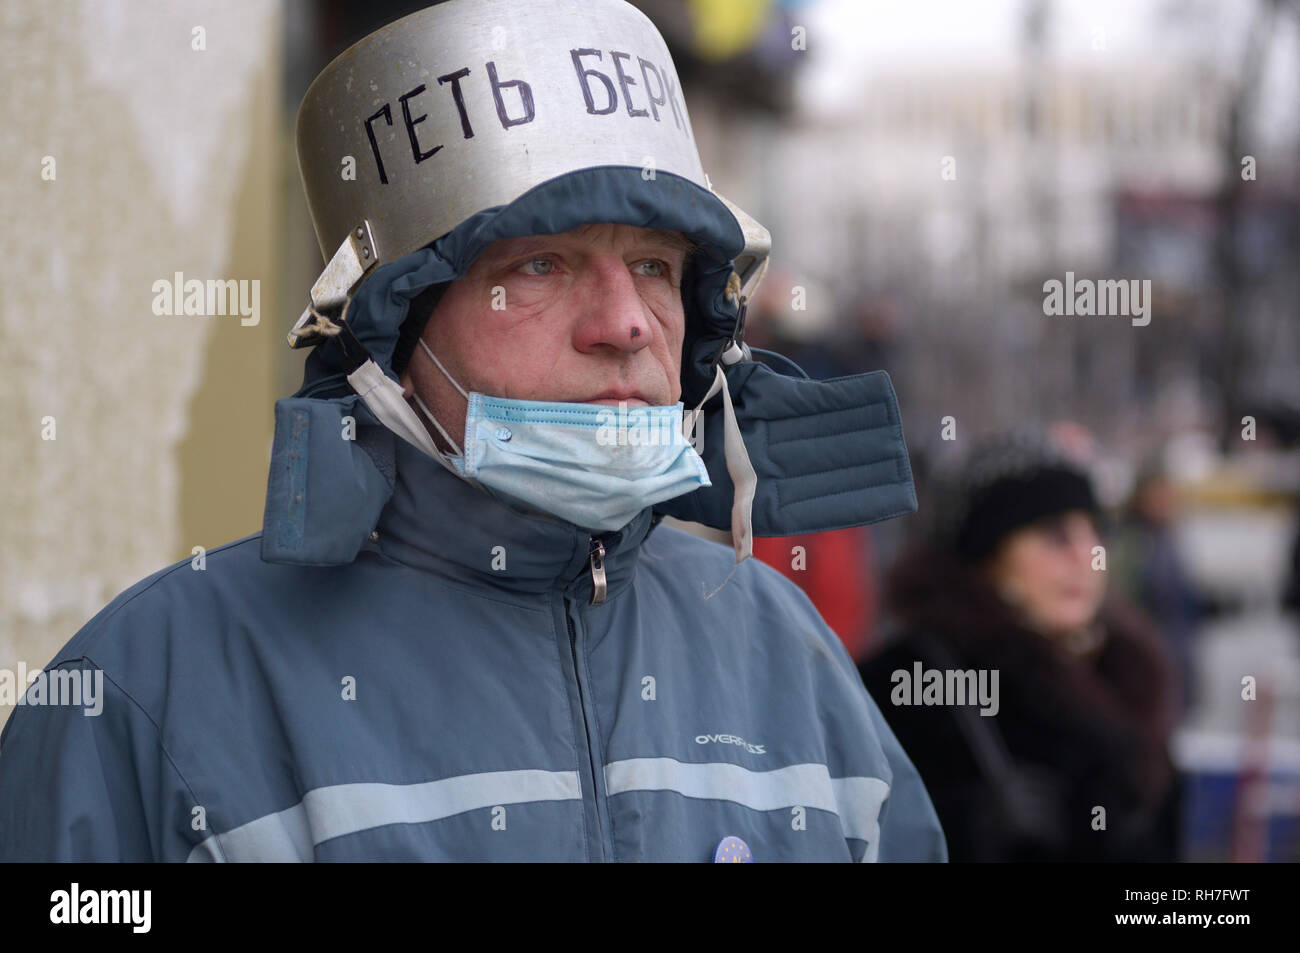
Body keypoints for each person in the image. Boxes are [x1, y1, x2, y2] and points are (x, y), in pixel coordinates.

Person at [0, 0, 943, 862]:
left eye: (656, 266)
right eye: (540, 264)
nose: (625, 323)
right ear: (388, 335)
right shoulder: (146, 695)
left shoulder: (787, 654)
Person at [859, 432, 1181, 862]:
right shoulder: (913, 681)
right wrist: (965, 827)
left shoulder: (1128, 674)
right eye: (1055, 536)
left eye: (1094, 533)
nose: (1086, 557)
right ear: (988, 556)